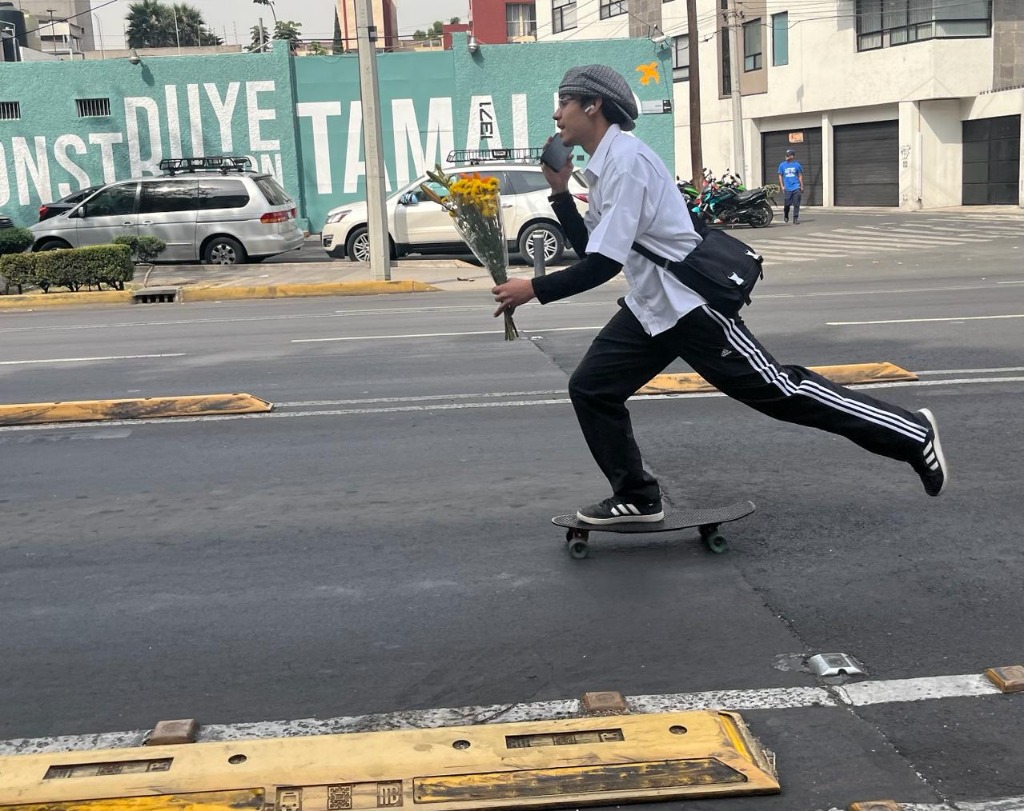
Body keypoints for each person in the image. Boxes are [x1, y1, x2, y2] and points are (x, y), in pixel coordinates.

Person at [491, 65, 947, 525]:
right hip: (652, 308)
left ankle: (912, 431)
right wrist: (559, 192)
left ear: (593, 105)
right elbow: (595, 249)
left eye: (565, 103)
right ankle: (637, 496)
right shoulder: (604, 165)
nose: (556, 114)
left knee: (779, 391)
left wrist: (534, 288)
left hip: (691, 306)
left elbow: (603, 265)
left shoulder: (627, 162)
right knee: (591, 389)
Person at [777, 149, 804, 224]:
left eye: (788, 155)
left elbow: (800, 176)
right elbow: (780, 176)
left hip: (796, 187)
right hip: (787, 188)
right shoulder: (782, 165)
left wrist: (801, 186)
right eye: (786, 155)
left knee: (796, 204)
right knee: (787, 204)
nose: (786, 156)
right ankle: (786, 214)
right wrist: (782, 186)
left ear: (792, 156)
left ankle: (795, 218)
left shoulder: (797, 165)